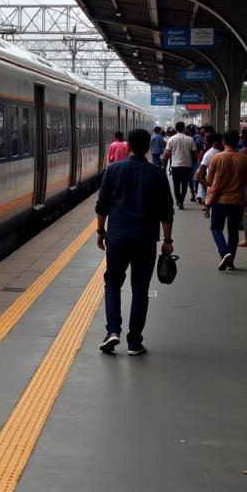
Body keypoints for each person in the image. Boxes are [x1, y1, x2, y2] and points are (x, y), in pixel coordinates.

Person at [96, 128, 174, 356]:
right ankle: (134, 342)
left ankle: (112, 330)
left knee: (112, 282)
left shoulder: (113, 170)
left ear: (128, 146)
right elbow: (166, 211)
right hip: (145, 240)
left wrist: (101, 232)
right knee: (140, 290)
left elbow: (102, 206)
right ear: (149, 148)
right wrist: (167, 240)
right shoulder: (156, 173)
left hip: (117, 239)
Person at [205, 130, 247, 271]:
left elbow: (209, 180)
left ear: (224, 142)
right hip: (238, 200)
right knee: (233, 231)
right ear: (237, 141)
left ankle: (225, 253)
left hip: (220, 200)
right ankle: (230, 262)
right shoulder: (244, 158)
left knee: (216, 228)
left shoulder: (216, 158)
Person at [163, 121, 197, 208]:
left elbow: (167, 154)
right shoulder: (190, 139)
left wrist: (164, 165)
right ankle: (181, 201)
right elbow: (194, 154)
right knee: (185, 184)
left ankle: (178, 201)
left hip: (175, 166)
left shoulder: (171, 139)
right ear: (184, 128)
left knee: (176, 184)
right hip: (187, 166)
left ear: (176, 128)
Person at [196, 133, 222, 217]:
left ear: (213, 142)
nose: (204, 142)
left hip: (213, 185)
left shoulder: (209, 154)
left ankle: (206, 208)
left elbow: (199, 174)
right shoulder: (235, 154)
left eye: (206, 140)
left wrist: (208, 185)